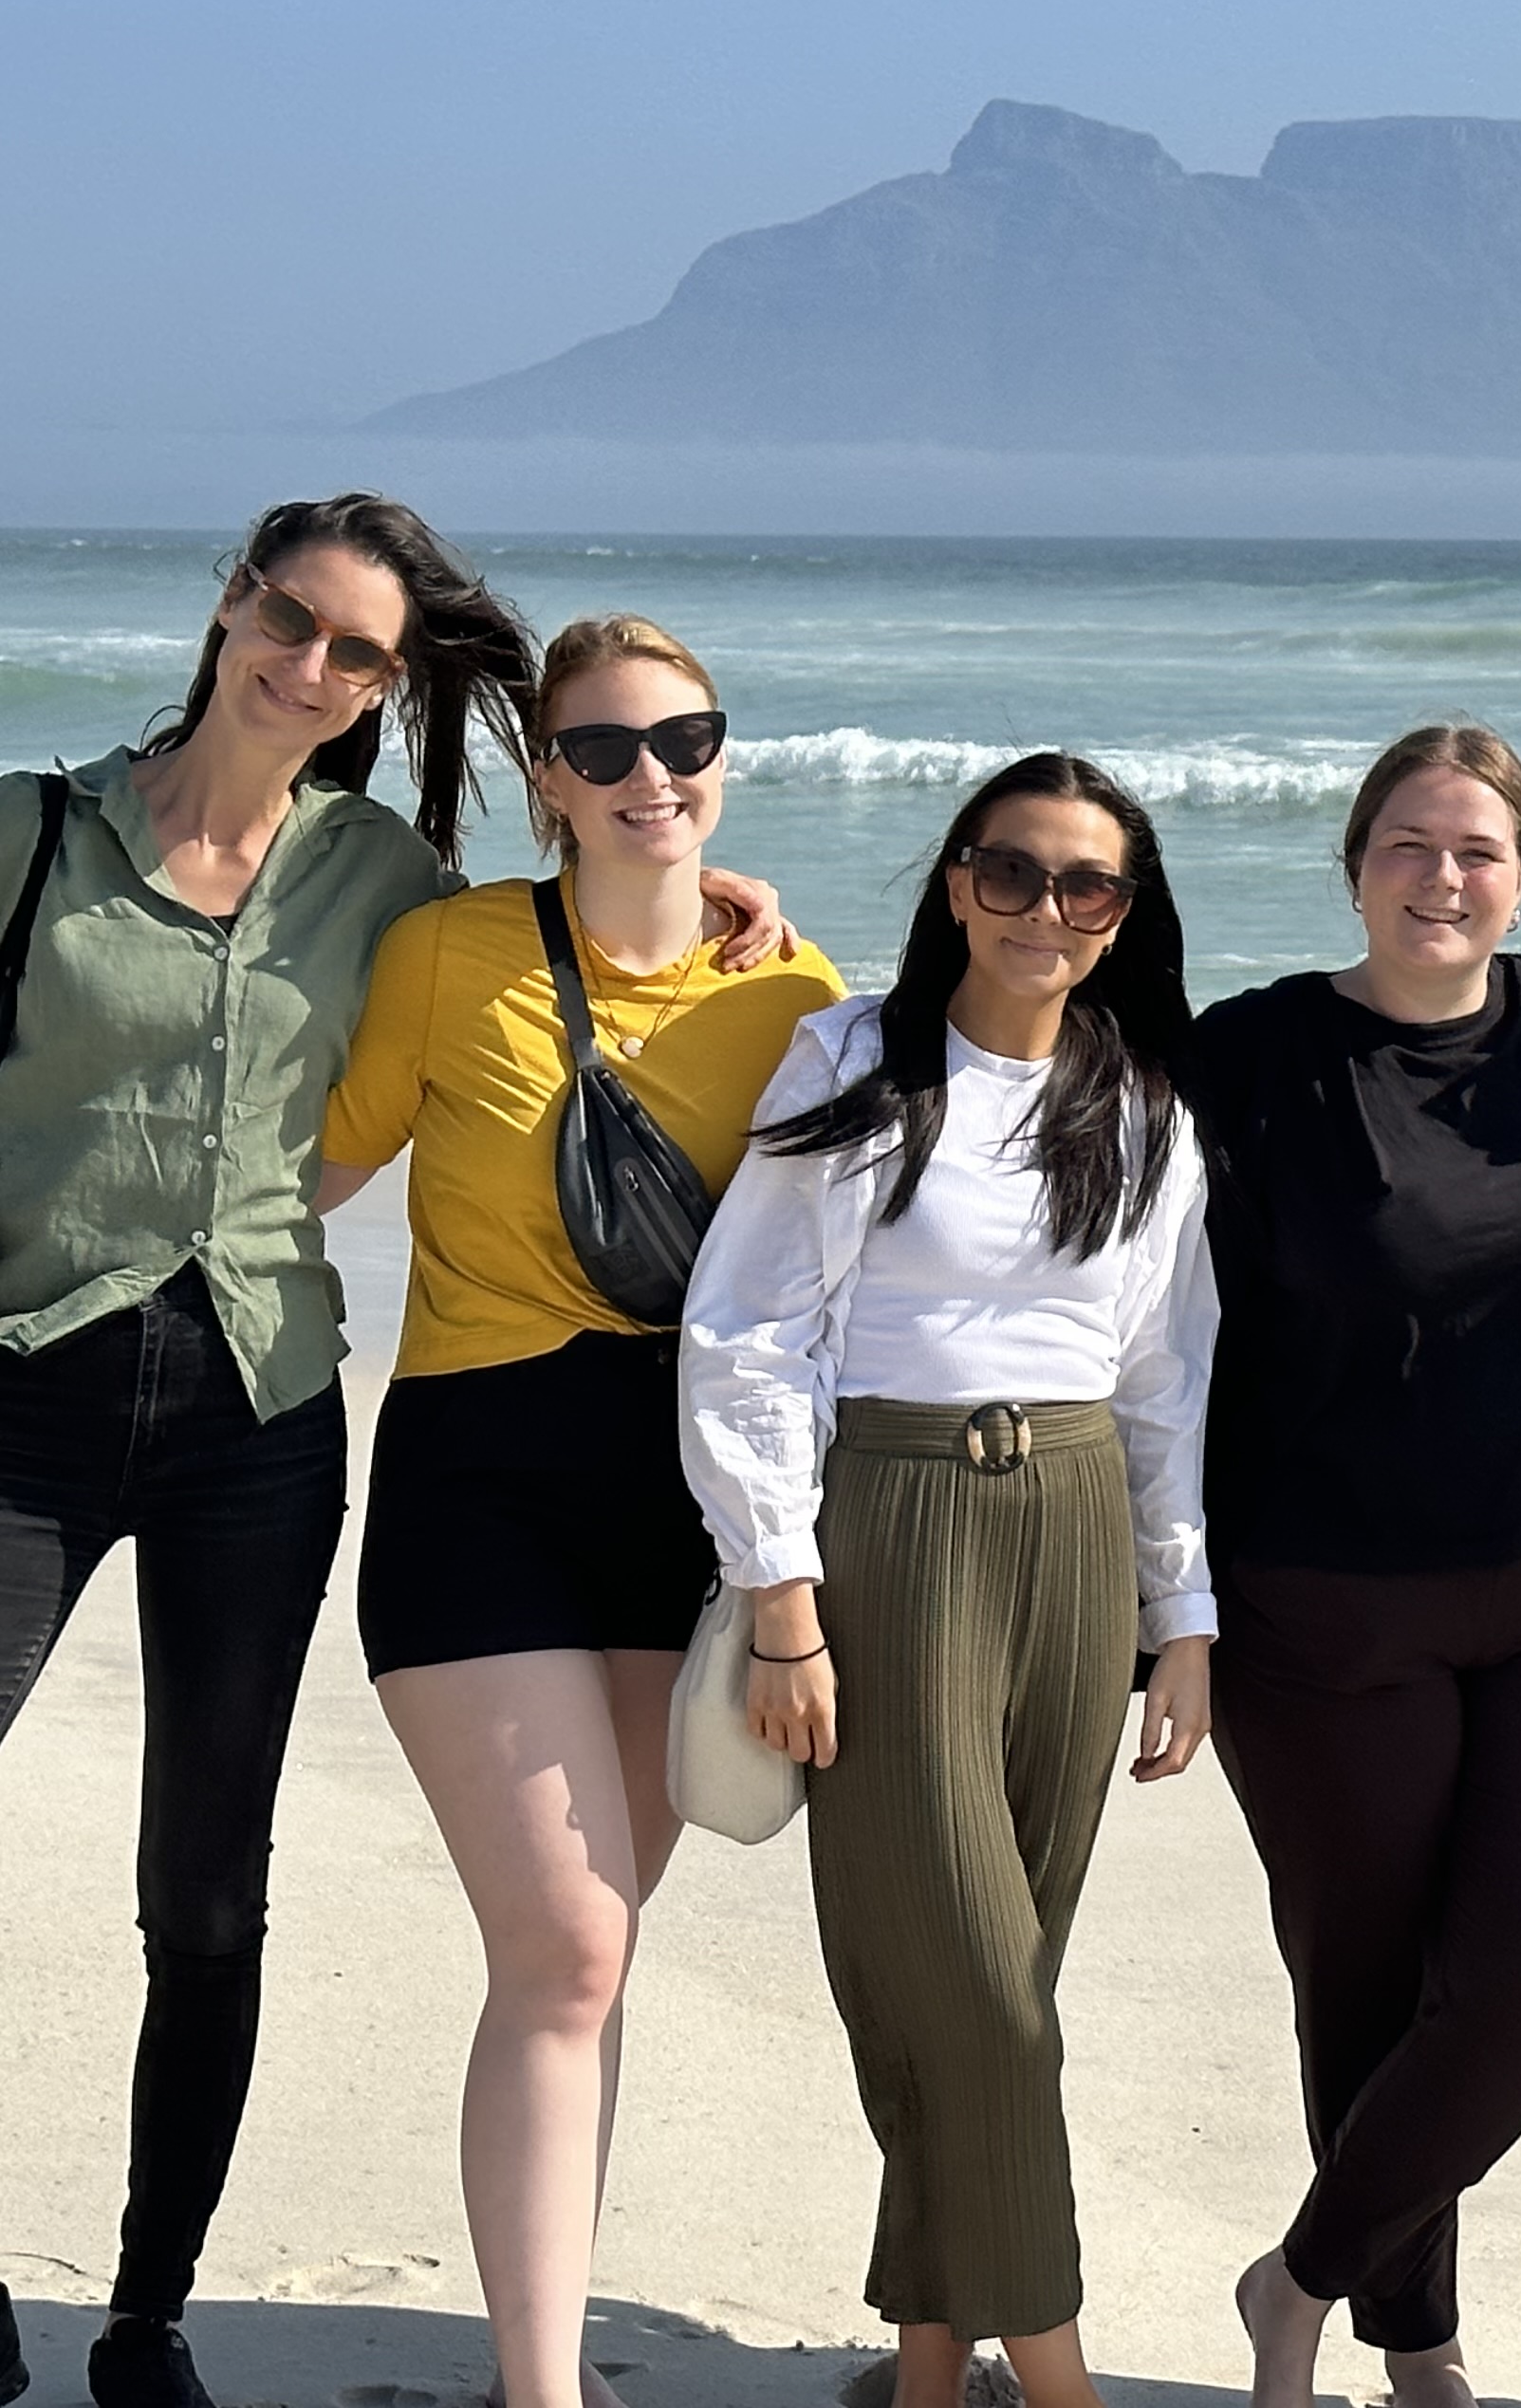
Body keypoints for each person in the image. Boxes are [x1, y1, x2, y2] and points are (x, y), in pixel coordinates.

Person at [0, 493, 774, 2408]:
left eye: (363, 655)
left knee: (208, 1884)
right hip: (21, 1380)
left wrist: (743, 915)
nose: (319, 671)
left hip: (262, 1411)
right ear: (233, 604)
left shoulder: (388, 884)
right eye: (296, 623)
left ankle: (146, 2311)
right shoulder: (29, 832)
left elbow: (586, 958)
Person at [313, 614, 843, 2408]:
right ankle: (545, 2393)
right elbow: (307, 1165)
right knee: (569, 1939)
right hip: (480, 1474)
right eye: (601, 750)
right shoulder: (452, 955)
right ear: (544, 777)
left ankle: (541, 2364)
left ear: (724, 755)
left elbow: (908, 1226)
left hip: (682, 1502)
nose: (648, 776)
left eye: (681, 741)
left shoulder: (795, 994)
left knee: (589, 1954)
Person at [678, 752, 1217, 2408]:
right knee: (976, 1988)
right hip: (893, 1525)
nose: (1044, 911)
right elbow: (748, 1330)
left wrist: (1178, 1614)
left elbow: (1158, 1381)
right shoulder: (850, 1060)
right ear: (954, 883)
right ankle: (1055, 2377)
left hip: (1070, 1539)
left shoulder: (1143, 1108)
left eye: (1087, 887)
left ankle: (927, 2372)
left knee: (998, 1979)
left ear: (1126, 920)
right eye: (1011, 872)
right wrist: (783, 1596)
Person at [1187, 723, 1521, 2408]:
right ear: (1354, 862)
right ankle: (1420, 2352)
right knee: (1370, 1989)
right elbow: (1139, 1316)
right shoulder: (1246, 1057)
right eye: (1408, 843)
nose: (1441, 877)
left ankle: (1299, 2273)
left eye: (1475, 849)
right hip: (1322, 1612)